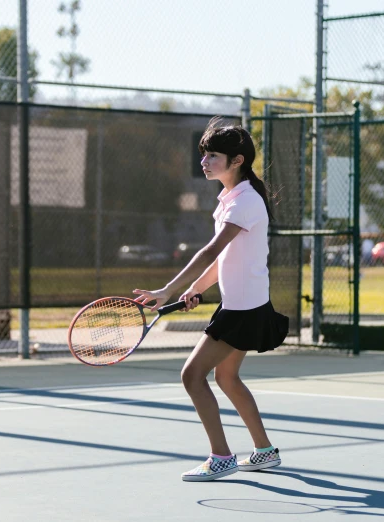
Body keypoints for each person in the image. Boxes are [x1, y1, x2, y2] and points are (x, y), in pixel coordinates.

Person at [133, 119, 289, 482]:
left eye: (212, 156)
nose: (204, 161)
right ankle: (264, 451)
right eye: (203, 154)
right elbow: (223, 261)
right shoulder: (233, 197)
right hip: (245, 304)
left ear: (236, 160)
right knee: (228, 378)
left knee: (191, 375)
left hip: (244, 310)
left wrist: (167, 289)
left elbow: (210, 251)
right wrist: (198, 289)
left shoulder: (245, 200)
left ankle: (221, 456)